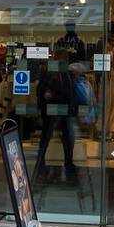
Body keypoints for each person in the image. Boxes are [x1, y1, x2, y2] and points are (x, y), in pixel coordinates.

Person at [34, 53, 78, 182]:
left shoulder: (67, 75)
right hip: (53, 111)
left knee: (68, 139)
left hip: (64, 111)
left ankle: (68, 163)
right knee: (47, 138)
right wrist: (48, 100)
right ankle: (41, 163)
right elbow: (41, 91)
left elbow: (70, 93)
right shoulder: (51, 74)